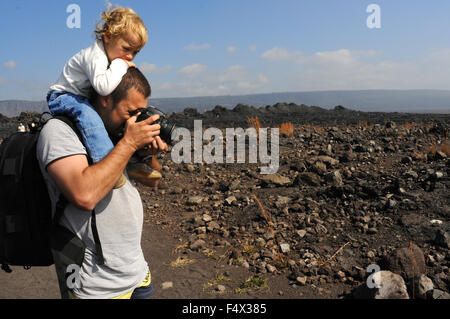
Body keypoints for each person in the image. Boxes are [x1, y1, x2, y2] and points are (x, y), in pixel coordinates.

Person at [37, 67, 168, 299]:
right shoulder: (59, 131)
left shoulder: (113, 135)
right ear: (106, 99)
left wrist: (145, 152)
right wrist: (128, 143)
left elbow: (153, 179)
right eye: (131, 111)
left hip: (137, 274)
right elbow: (84, 195)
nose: (134, 120)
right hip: (95, 286)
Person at [47, 6, 148, 187]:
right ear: (108, 36)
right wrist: (120, 65)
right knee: (90, 119)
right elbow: (102, 87)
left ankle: (130, 162)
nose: (130, 56)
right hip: (63, 96)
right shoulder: (96, 56)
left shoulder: (107, 54)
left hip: (79, 96)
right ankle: (106, 165)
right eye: (126, 49)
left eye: (135, 52)